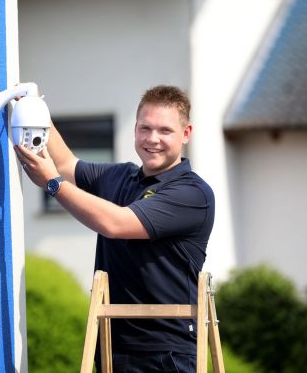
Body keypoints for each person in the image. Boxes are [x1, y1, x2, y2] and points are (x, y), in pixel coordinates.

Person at [14, 85, 215, 373]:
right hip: (111, 347)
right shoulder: (121, 176)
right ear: (135, 129)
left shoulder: (192, 194)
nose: (153, 139)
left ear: (186, 134)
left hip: (165, 354)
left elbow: (115, 223)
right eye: (145, 128)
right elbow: (66, 163)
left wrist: (54, 184)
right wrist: (35, 111)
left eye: (165, 131)